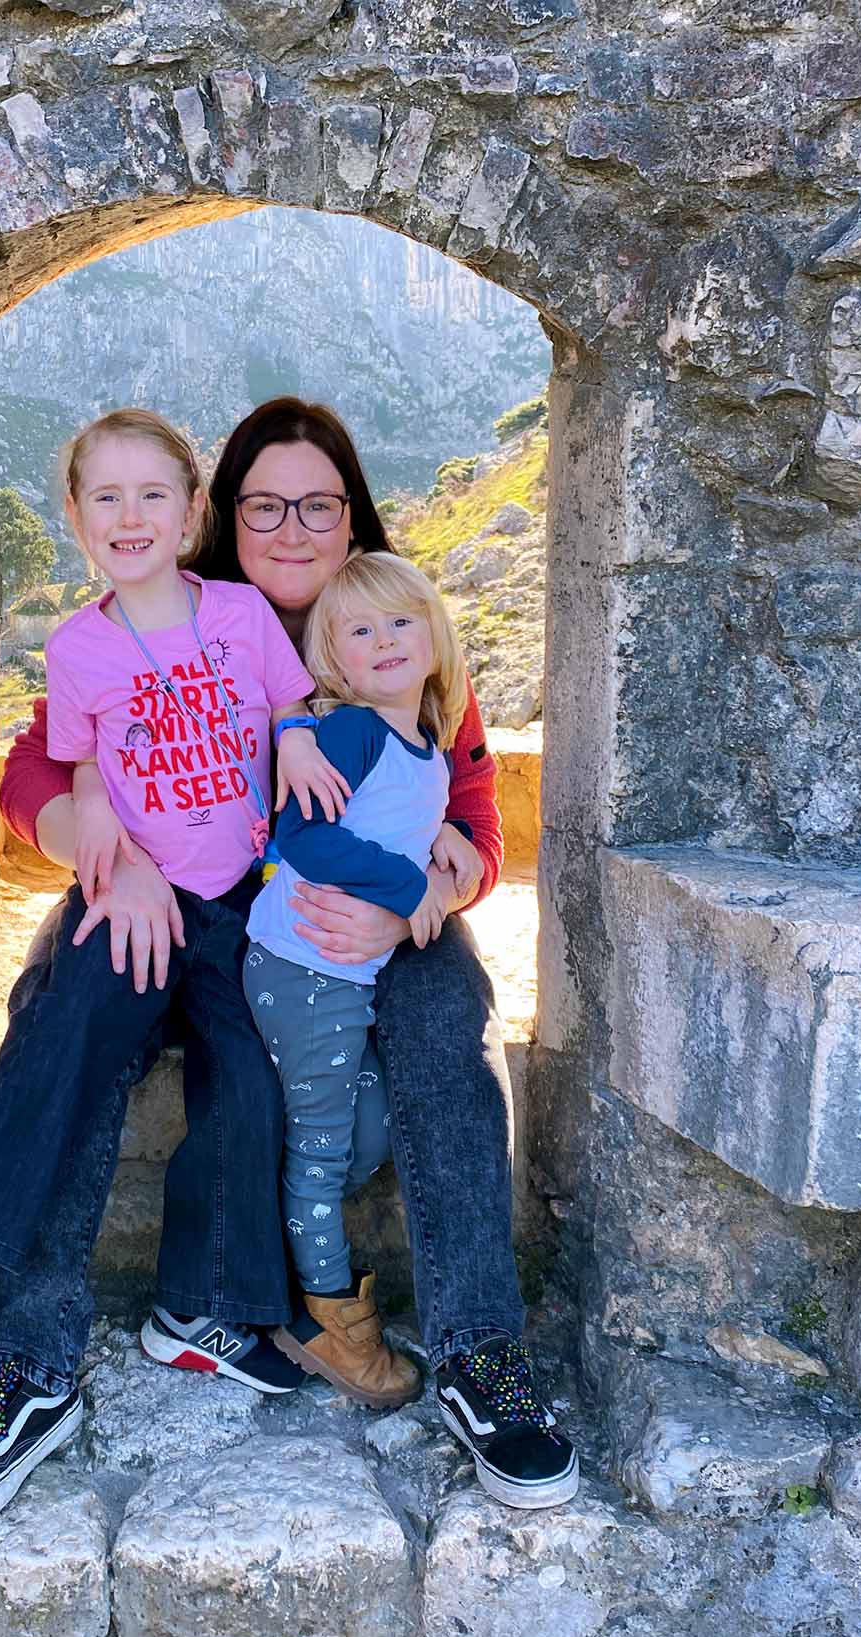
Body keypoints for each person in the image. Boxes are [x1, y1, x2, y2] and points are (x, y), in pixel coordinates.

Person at [0, 409, 347, 1548]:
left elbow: (290, 703)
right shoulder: (79, 648)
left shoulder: (241, 614)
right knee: (69, 1021)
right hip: (133, 896)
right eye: (107, 498)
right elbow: (84, 764)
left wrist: (294, 738)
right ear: (75, 519)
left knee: (252, 1076)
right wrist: (114, 853)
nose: (132, 517)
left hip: (239, 898)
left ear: (193, 512)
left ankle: (212, 1310)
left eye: (156, 496)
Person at [244, 550, 484, 1413]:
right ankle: (330, 1322)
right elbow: (304, 837)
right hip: (306, 967)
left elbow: (397, 824)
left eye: (401, 622)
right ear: (333, 659)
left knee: (364, 1132)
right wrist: (411, 885)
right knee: (321, 1148)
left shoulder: (426, 740)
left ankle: (276, 1234)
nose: (383, 640)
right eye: (359, 629)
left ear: (434, 638)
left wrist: (443, 853)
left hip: (347, 972)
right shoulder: (348, 729)